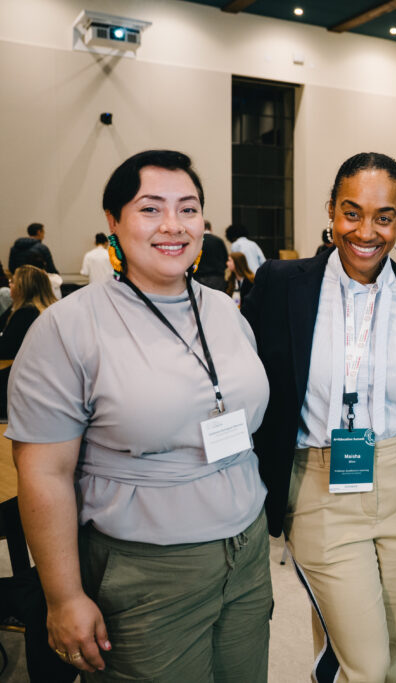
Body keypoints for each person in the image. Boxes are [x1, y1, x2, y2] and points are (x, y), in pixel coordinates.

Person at [7, 149, 273, 681]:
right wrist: (64, 596)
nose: (173, 225)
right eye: (150, 209)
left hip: (246, 554)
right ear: (113, 221)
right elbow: (44, 473)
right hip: (145, 570)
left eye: (188, 209)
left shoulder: (224, 310)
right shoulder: (69, 328)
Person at [243, 152, 396, 683]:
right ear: (331, 209)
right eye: (352, 213)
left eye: (384, 217)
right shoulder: (281, 283)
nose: (366, 231)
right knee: (364, 663)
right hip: (318, 486)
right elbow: (243, 374)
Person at [0, 265, 56, 359]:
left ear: (22, 288)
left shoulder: (26, 313)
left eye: (13, 281)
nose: (9, 284)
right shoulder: (26, 308)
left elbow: (6, 349)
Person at [194, 220, 229, 291]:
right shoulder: (219, 241)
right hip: (217, 278)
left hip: (200, 277)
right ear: (211, 228)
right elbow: (225, 259)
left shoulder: (196, 242)